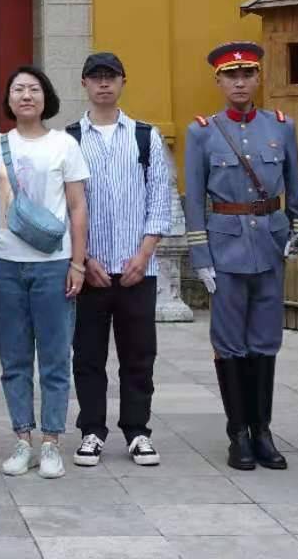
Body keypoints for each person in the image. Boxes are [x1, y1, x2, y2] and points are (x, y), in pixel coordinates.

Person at [183, 42, 298, 472]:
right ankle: (238, 433)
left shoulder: (281, 127)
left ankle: (262, 429)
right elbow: (194, 197)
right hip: (226, 245)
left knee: (265, 341)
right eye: (231, 76)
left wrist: (297, 230)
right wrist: (201, 254)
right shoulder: (202, 132)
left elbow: (294, 187)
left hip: (269, 243)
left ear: (257, 79)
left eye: (247, 74)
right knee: (230, 344)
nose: (239, 82)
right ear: (218, 81)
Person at [0, 64, 90, 480]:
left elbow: (78, 207)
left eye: (34, 89)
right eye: (18, 89)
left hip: (53, 264)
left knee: (56, 357)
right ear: (8, 100)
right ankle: (22, 439)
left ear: (46, 98)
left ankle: (51, 442)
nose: (26, 95)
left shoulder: (64, 145)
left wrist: (78, 262)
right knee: (14, 357)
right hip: (7, 263)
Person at [66, 51, 172, 470]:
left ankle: (138, 431)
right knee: (88, 356)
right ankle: (91, 430)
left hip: (136, 269)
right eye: (96, 77)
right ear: (85, 84)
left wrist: (144, 253)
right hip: (89, 270)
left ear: (123, 82)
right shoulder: (70, 138)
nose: (104, 84)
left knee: (139, 356)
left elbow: (160, 201)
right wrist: (83, 258)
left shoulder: (145, 136)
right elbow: (64, 206)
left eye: (111, 77)